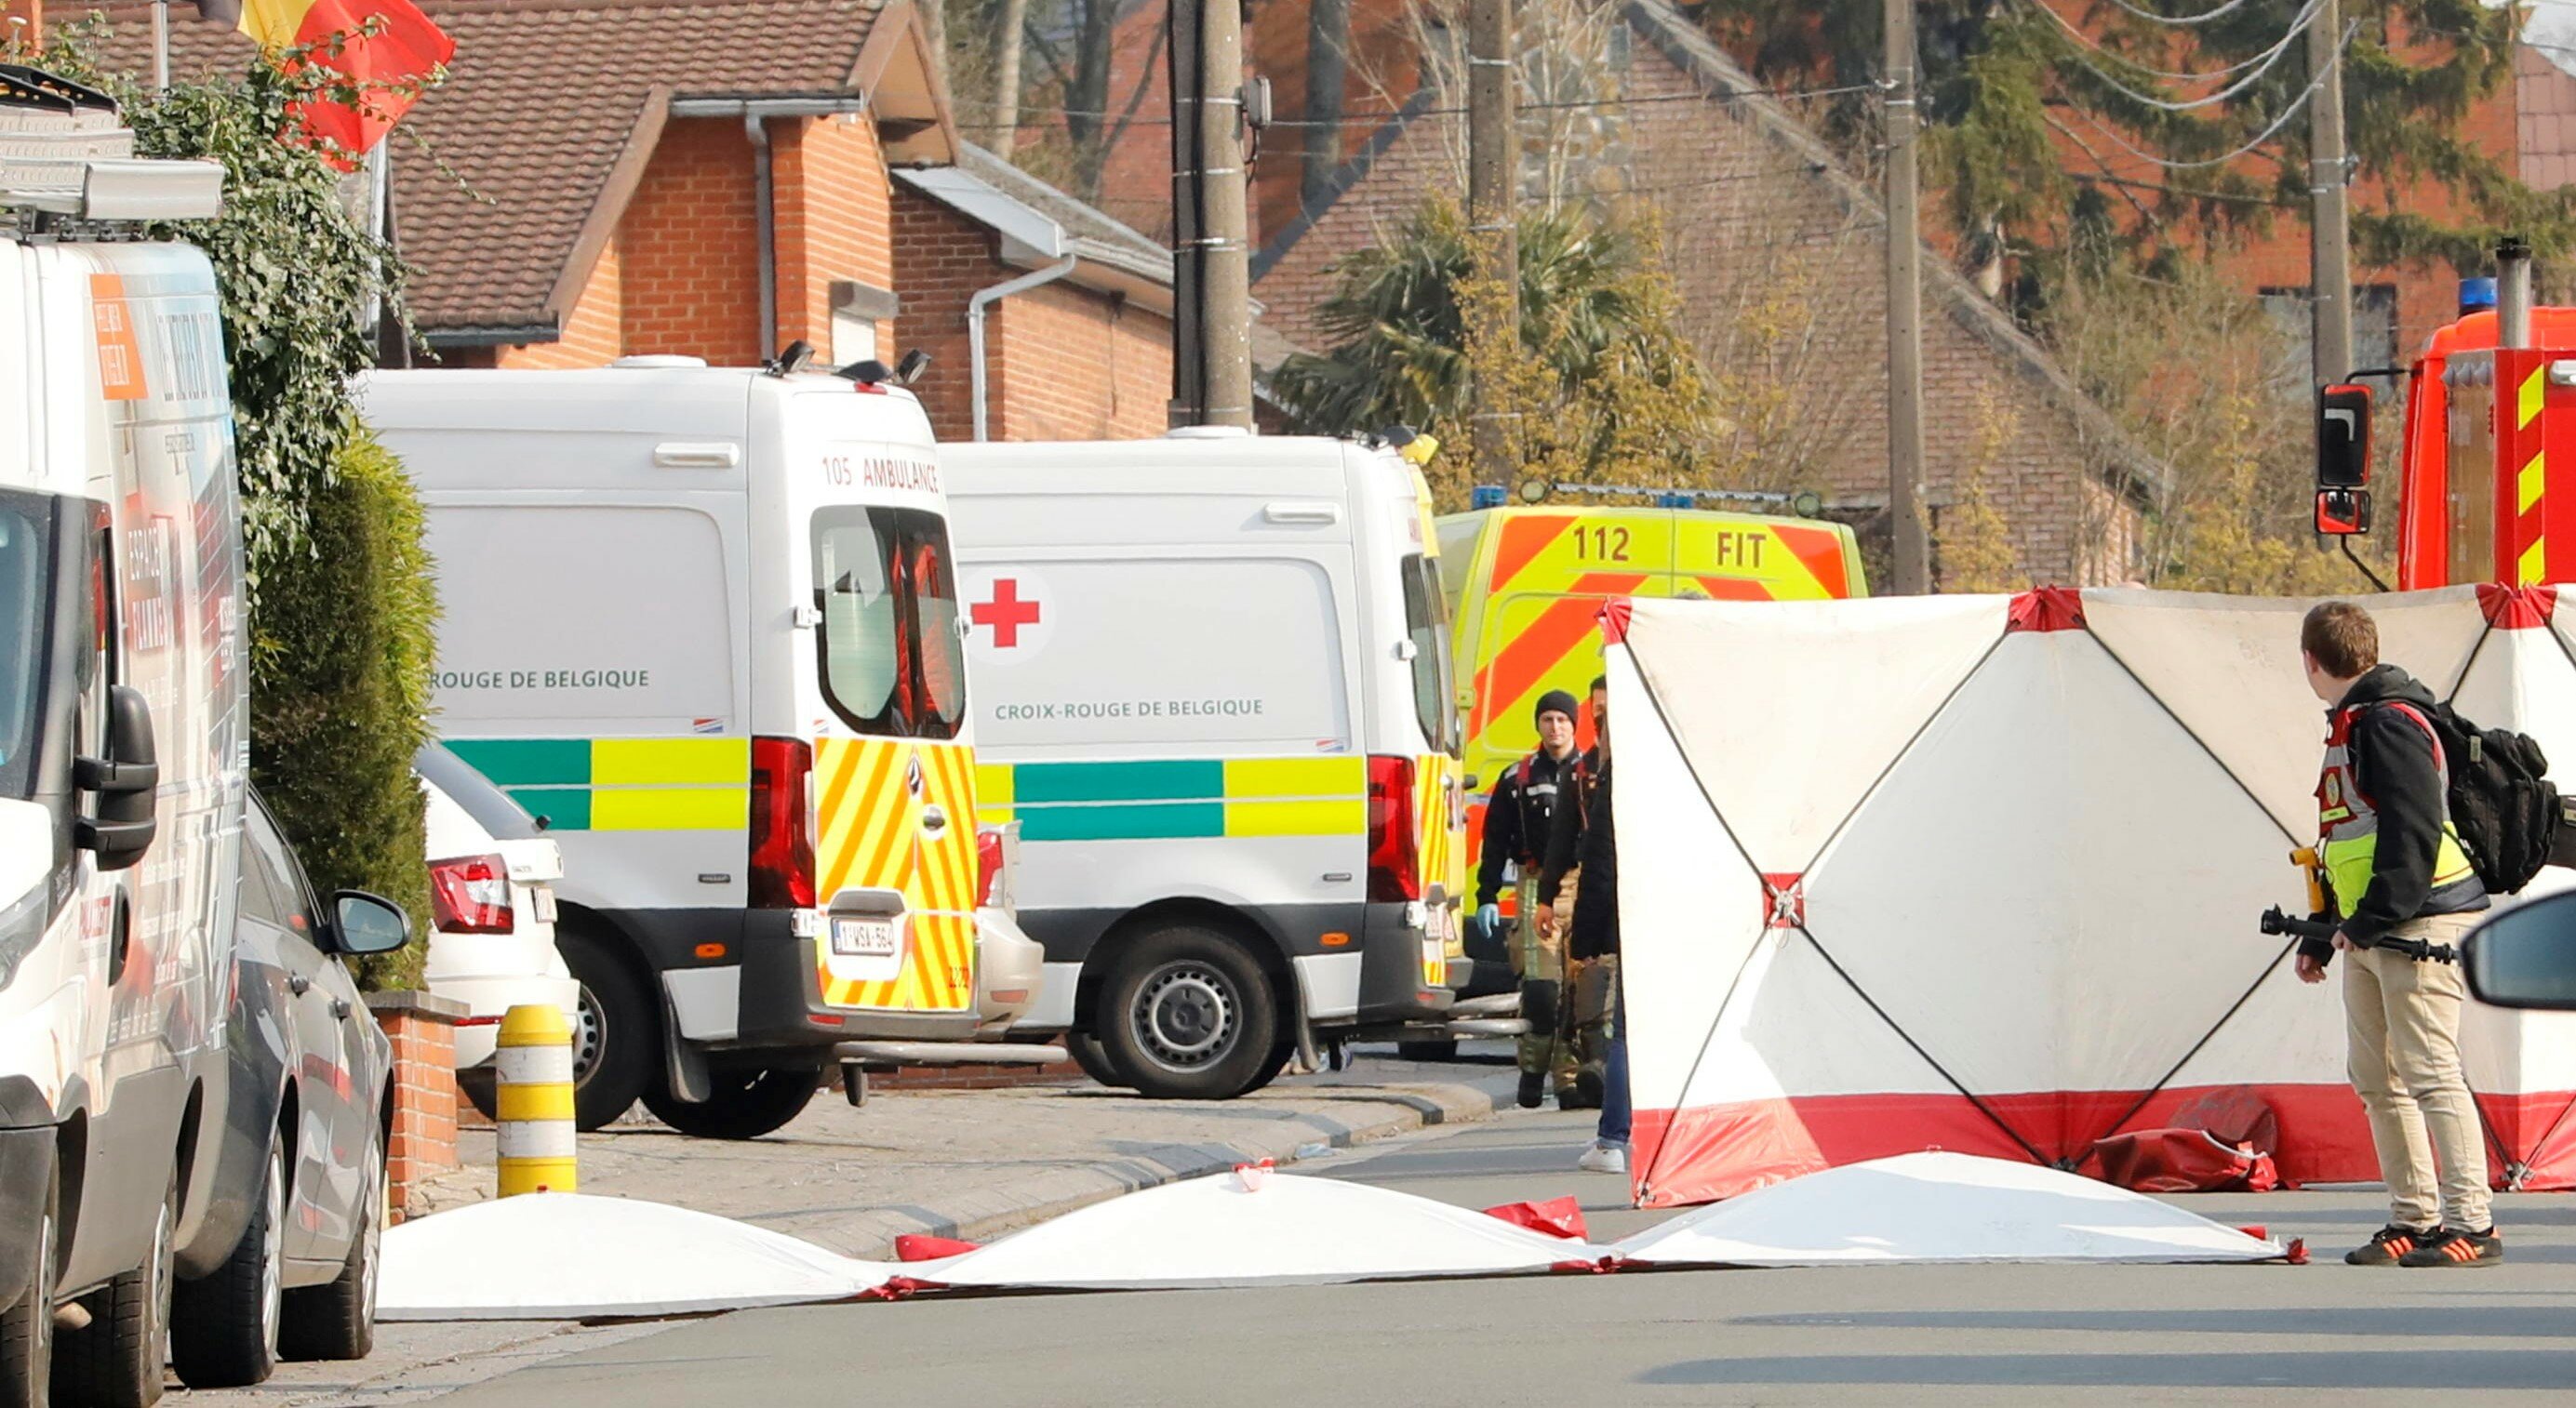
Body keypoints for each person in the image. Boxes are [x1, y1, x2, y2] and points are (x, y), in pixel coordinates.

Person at [2295, 601, 2501, 1267]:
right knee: (2376, 1079)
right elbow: (2350, 839)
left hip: (2417, 920)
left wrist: (2366, 921)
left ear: (2310, 661)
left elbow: (2412, 832)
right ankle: (2414, 1216)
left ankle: (2472, 1223)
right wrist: (2323, 933)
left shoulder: (2384, 722)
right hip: (2373, 927)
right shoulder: (2354, 721)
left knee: (2429, 1072)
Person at [1474, 689, 1589, 1109]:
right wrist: (1486, 894)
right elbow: (1494, 840)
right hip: (1535, 884)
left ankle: (1570, 1083)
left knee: (1578, 994)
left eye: (1562, 720)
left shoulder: (1593, 774)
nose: (1555, 728)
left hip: (1583, 886)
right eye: (1547, 720)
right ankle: (1533, 1073)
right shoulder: (1516, 779)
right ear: (1538, 725)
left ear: (1574, 725)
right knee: (1542, 993)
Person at [1538, 679, 1624, 1173]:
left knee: (1626, 1025)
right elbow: (1565, 839)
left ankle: (1614, 1131)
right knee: (1583, 994)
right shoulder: (1583, 773)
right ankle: (1584, 1074)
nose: (1602, 720)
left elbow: (1604, 855)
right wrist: (1546, 898)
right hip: (1599, 895)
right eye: (1597, 711)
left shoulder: (1624, 770)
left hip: (1626, 901)